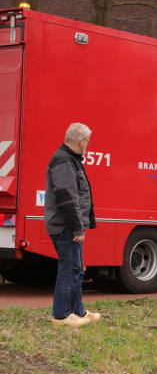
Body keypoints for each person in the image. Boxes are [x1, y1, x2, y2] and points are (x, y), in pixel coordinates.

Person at [45, 123, 100, 327]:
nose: (88, 145)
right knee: (69, 269)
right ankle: (61, 315)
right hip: (66, 226)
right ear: (81, 141)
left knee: (76, 269)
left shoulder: (70, 160)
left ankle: (78, 311)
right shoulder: (64, 161)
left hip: (68, 225)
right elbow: (67, 198)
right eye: (88, 141)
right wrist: (77, 227)